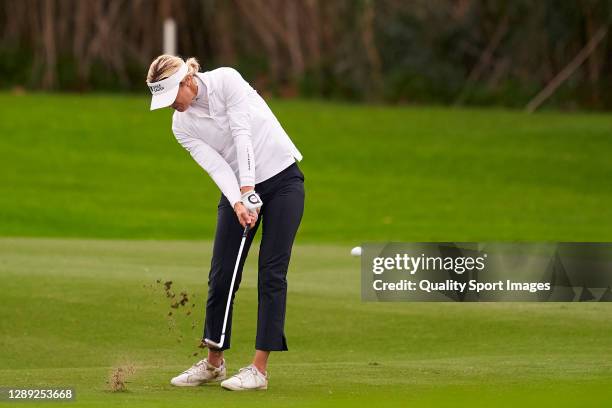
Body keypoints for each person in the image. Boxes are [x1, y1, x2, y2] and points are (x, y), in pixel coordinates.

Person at [146, 55, 305, 391]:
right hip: (236, 187)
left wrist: (249, 190)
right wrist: (238, 201)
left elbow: (241, 133)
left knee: (271, 274)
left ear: (188, 80)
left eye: (173, 96)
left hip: (282, 179)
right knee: (221, 275)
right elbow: (217, 166)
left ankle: (259, 370)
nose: (172, 105)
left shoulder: (227, 80)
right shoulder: (181, 125)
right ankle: (214, 363)